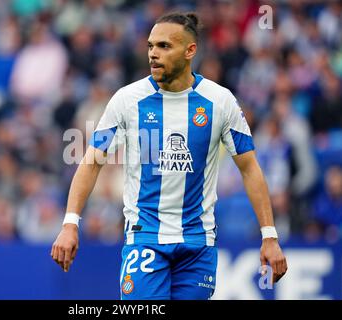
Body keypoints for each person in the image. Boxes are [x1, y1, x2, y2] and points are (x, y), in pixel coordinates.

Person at [51, 11, 287, 300]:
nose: (153, 54)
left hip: (198, 244)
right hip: (145, 238)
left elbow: (249, 167)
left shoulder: (220, 101)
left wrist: (269, 236)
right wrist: (70, 224)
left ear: (190, 51)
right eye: (151, 46)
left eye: (164, 46)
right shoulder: (127, 100)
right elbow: (91, 162)